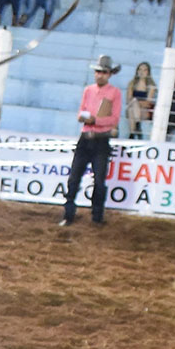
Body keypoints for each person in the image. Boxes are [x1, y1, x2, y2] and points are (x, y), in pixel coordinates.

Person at [59, 55, 121, 226]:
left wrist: (94, 120)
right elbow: (82, 111)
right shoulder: (89, 90)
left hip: (100, 140)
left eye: (103, 72)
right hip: (86, 139)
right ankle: (69, 214)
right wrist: (87, 118)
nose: (99, 75)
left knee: (99, 181)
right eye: (98, 72)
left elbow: (114, 119)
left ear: (109, 74)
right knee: (74, 178)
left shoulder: (114, 93)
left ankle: (97, 216)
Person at [126, 62, 157, 139]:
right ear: (137, 71)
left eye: (144, 70)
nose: (142, 72)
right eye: (140, 69)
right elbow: (128, 100)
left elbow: (148, 103)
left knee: (132, 107)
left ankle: (132, 134)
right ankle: (137, 126)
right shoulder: (132, 83)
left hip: (144, 111)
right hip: (133, 109)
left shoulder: (151, 85)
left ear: (148, 72)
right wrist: (136, 102)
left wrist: (136, 102)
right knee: (132, 108)